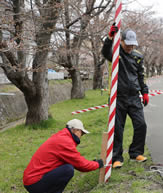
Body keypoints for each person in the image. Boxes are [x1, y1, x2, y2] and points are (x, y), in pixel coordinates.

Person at [102, 24, 149, 169]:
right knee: (117, 128)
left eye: (132, 45)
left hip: (134, 97)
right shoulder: (115, 53)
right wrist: (109, 39)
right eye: (127, 44)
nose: (129, 47)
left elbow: (141, 76)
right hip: (118, 97)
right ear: (121, 41)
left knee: (141, 125)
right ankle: (116, 157)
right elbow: (105, 52)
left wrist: (145, 91)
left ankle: (136, 152)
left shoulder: (138, 56)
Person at [23, 119, 104, 193]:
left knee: (67, 167)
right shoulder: (65, 142)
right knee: (68, 169)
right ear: (76, 130)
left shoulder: (62, 137)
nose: (81, 136)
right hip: (34, 182)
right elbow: (81, 165)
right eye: (81, 133)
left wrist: (93, 163)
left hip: (31, 179)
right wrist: (97, 164)